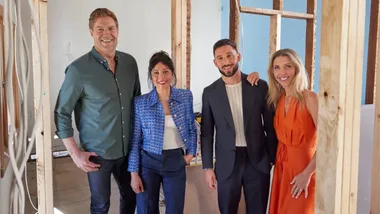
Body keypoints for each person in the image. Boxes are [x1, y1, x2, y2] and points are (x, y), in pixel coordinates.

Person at [54, 8, 140, 214]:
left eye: (111, 28)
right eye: (100, 29)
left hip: (128, 151)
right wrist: (74, 153)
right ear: (91, 32)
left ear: (118, 30)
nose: (106, 34)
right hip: (97, 155)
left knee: (131, 197)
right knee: (101, 205)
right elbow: (61, 113)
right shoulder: (78, 70)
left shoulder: (130, 63)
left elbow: (137, 105)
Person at [200, 38, 278, 214]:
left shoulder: (258, 86)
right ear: (215, 62)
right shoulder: (209, 93)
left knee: (258, 210)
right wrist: (207, 168)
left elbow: (270, 126)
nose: (226, 62)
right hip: (227, 164)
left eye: (229, 56)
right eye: (220, 58)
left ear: (238, 56)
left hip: (257, 161)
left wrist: (272, 158)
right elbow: (206, 133)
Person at [247, 48, 318, 213]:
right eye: (276, 67)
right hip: (282, 169)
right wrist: (253, 76)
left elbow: (328, 143)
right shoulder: (278, 98)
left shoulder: (310, 98)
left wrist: (307, 174)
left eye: (288, 66)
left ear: (297, 69)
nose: (282, 72)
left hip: (304, 169)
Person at [128, 51, 197, 214]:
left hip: (176, 160)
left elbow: (192, 128)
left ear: (172, 73)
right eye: (156, 72)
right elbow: (136, 139)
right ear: (151, 76)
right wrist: (133, 173)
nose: (161, 77)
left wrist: (190, 154)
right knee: (146, 209)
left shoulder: (185, 96)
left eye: (165, 71)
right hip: (148, 162)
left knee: (175, 209)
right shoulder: (141, 102)